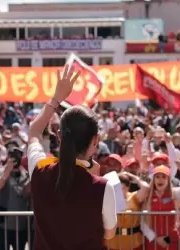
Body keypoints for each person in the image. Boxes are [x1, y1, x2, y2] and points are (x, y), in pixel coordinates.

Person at [27, 65, 117, 250]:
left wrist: (56, 99)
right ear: (95, 141)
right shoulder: (103, 187)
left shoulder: (39, 170)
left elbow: (34, 131)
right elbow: (109, 232)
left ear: (59, 136)